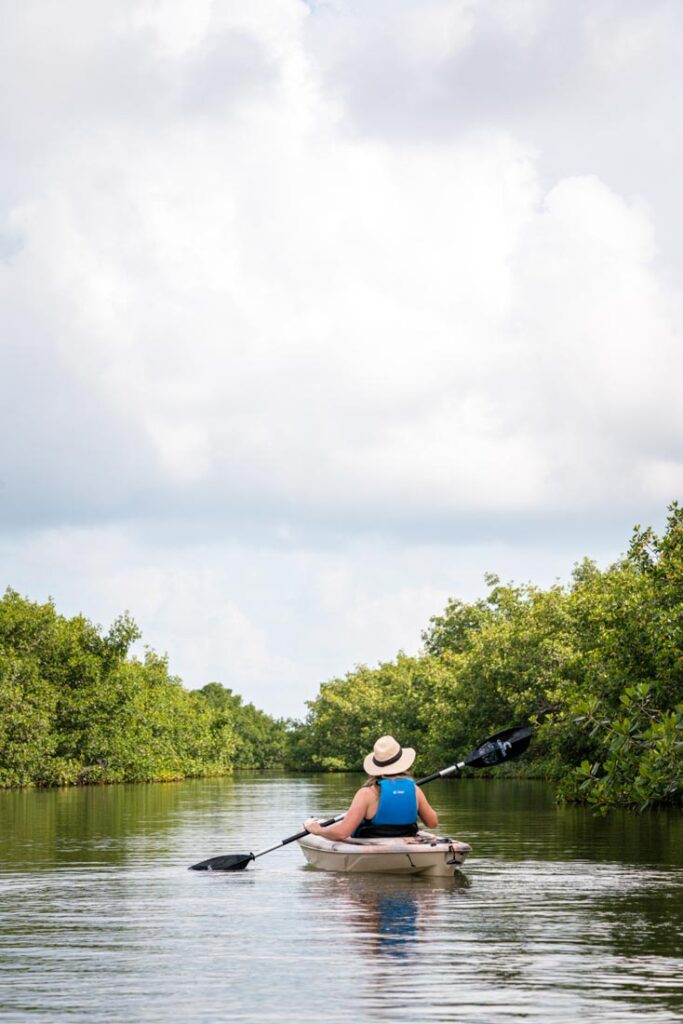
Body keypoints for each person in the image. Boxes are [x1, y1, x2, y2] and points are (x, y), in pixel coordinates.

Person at [304, 735, 439, 841]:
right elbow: (433, 823)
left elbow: (341, 834)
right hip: (406, 841)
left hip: (372, 844)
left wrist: (318, 830)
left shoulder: (366, 794)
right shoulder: (415, 790)